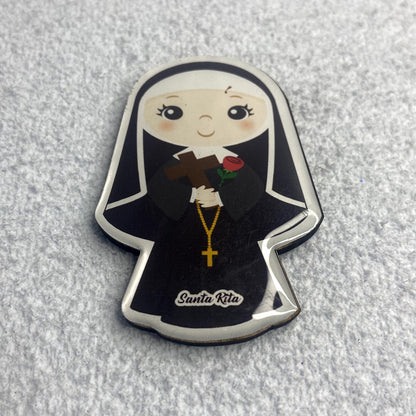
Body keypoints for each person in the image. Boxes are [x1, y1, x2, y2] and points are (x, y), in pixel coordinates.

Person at [96, 58, 323, 343]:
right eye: (173, 112)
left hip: (239, 248)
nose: (205, 124)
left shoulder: (237, 165)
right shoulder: (175, 165)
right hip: (177, 242)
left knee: (244, 271)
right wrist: (190, 195)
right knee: (172, 271)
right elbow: (155, 198)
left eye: (237, 112)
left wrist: (222, 197)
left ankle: (260, 305)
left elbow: (258, 198)